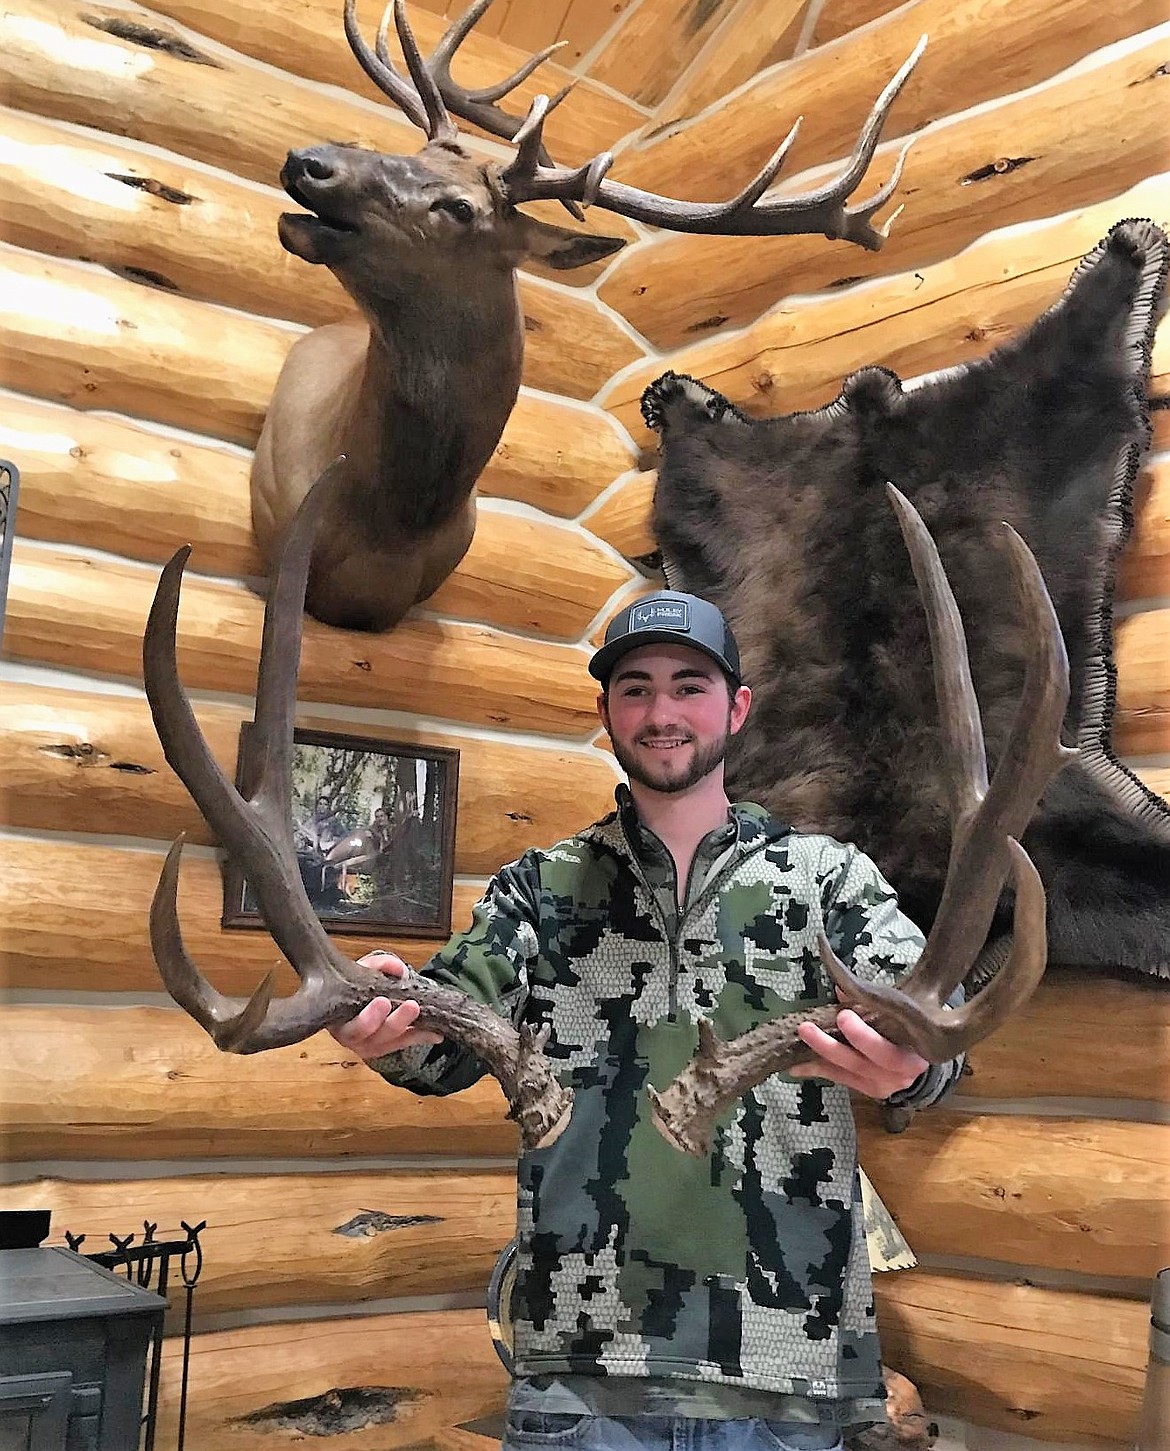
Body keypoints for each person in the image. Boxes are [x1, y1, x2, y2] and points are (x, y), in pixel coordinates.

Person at [329, 591, 962, 1450]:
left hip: (785, 1366)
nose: (662, 712)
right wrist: (383, 1021)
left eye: (688, 685)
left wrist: (913, 1064)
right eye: (636, 688)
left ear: (735, 706)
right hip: (583, 1367)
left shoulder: (827, 880)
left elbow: (934, 1024)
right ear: (606, 712)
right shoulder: (539, 888)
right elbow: (442, 1041)